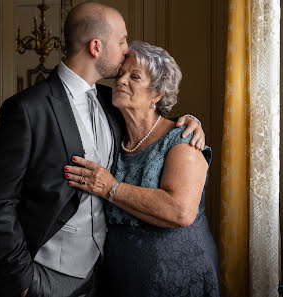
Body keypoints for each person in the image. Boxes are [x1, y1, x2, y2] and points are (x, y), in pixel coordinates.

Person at [0, 3, 205, 297]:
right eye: (122, 41)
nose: (125, 50)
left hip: (104, 274)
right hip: (43, 276)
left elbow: (153, 121)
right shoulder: (27, 109)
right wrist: (20, 278)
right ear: (96, 47)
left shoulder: (113, 101)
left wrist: (192, 122)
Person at [64, 40, 220, 297]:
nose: (121, 81)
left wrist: (110, 188)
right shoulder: (113, 128)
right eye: (120, 74)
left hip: (174, 277)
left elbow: (180, 211)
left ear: (157, 94)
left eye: (134, 76)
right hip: (120, 277)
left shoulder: (182, 139)